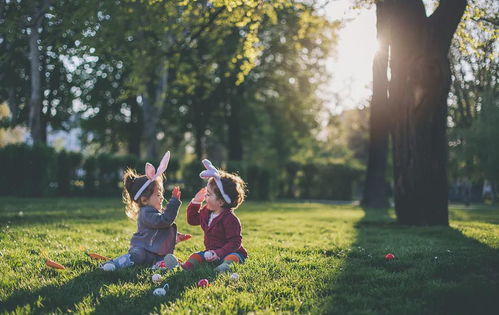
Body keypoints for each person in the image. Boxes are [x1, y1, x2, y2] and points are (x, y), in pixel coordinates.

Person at [101, 151, 190, 271]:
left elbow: (162, 231)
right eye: (158, 194)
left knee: (163, 258)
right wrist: (174, 202)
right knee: (138, 256)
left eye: (162, 194)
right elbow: (164, 221)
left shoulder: (156, 211)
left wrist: (177, 237)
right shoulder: (146, 213)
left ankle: (160, 266)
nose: (162, 197)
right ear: (144, 200)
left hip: (155, 251)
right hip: (142, 248)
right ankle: (115, 264)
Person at [165, 159, 247, 273]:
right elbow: (192, 220)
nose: (205, 197)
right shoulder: (207, 211)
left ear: (221, 202)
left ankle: (224, 267)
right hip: (210, 253)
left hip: (230, 252)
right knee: (196, 256)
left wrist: (219, 253)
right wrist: (196, 202)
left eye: (208, 194)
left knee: (232, 258)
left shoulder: (230, 219)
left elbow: (235, 242)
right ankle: (184, 267)